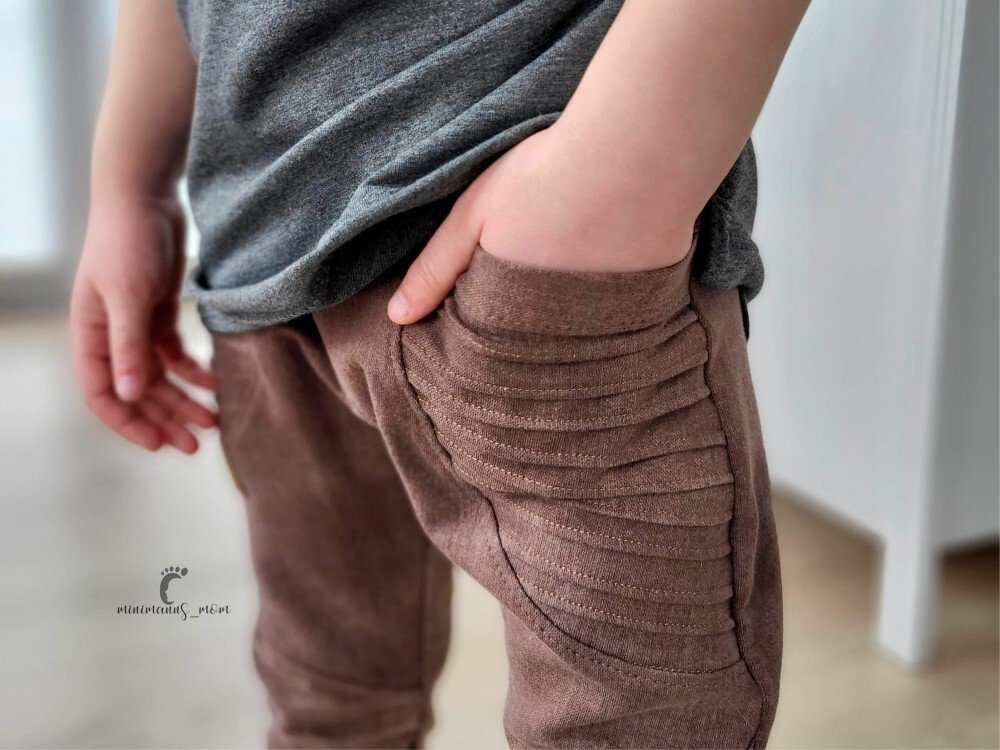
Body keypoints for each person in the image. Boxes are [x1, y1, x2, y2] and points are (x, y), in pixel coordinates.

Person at [71, 1, 809, 747]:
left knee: (637, 727)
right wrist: (128, 188)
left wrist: (621, 167)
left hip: (533, 264)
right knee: (325, 706)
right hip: (257, 267)